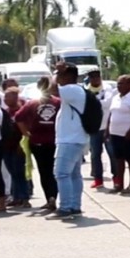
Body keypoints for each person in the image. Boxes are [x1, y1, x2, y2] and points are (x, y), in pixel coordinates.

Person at [14, 75, 59, 210]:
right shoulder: (58, 102)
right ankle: (53, 197)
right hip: (53, 141)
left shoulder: (32, 103)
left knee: (44, 171)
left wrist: (25, 132)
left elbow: (18, 117)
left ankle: (50, 198)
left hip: (38, 142)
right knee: (53, 171)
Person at [51, 63, 88, 218]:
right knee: (73, 175)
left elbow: (50, 88)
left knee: (61, 174)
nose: (58, 77)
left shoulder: (71, 89)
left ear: (68, 76)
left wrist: (54, 72)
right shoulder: (77, 91)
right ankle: (74, 206)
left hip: (69, 140)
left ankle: (65, 208)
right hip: (75, 138)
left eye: (60, 74)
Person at [107, 75, 130, 194]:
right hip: (115, 134)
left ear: (129, 85)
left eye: (122, 84)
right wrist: (107, 129)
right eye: (118, 83)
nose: (119, 86)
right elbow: (111, 114)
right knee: (118, 159)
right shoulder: (116, 97)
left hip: (128, 135)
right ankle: (120, 184)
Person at [86, 69, 117, 190]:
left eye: (97, 77)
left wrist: (94, 101)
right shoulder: (86, 90)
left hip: (107, 127)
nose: (95, 79)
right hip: (94, 128)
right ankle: (98, 179)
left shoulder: (107, 88)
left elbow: (107, 103)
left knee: (112, 154)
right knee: (95, 155)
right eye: (92, 77)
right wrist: (98, 102)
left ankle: (116, 178)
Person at [2, 87, 29, 208]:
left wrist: (22, 145)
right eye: (5, 96)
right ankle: (15, 197)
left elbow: (26, 130)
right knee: (12, 172)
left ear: (16, 97)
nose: (5, 99)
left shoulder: (21, 112)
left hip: (19, 147)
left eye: (8, 96)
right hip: (6, 146)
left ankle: (25, 197)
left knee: (20, 172)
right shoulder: (5, 112)